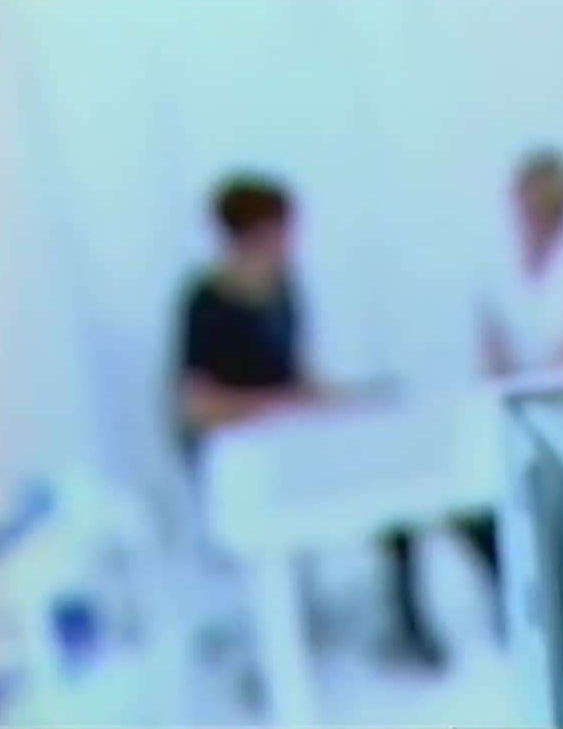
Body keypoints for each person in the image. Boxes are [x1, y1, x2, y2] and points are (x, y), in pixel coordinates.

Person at [174, 173, 443, 666]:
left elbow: (298, 376)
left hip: (291, 439)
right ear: (254, 233)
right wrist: (274, 406)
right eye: (282, 229)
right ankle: (282, 646)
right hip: (243, 456)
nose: (291, 240)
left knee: (393, 479)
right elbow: (195, 405)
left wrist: (347, 399)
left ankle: (409, 624)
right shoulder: (205, 302)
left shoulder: (285, 286)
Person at [479, 149, 563, 378]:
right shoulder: (498, 273)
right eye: (524, 205)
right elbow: (494, 357)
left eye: (537, 206)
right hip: (514, 390)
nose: (528, 215)